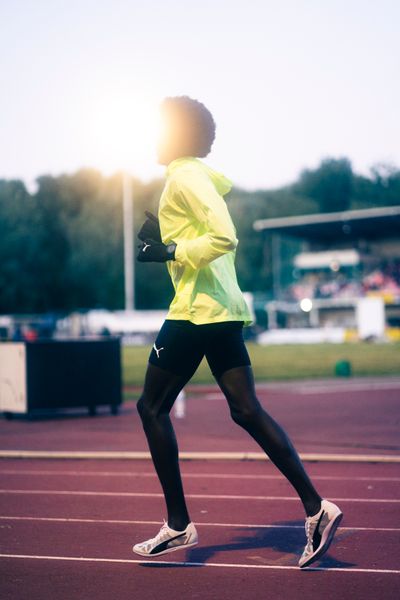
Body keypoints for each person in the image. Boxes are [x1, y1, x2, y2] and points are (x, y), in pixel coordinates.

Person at [133, 96, 342, 568]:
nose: (152, 137)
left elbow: (225, 236)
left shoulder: (185, 176)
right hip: (222, 308)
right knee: (246, 410)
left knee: (150, 407)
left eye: (159, 129)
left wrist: (170, 251)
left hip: (197, 310)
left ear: (178, 136)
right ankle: (317, 509)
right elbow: (209, 237)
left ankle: (179, 523)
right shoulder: (196, 178)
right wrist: (170, 245)